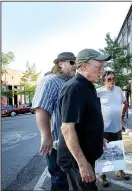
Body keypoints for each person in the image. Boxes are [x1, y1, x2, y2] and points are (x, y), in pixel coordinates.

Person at [57, 49, 110, 190]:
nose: (102, 71)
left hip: (86, 154)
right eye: (99, 67)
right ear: (84, 66)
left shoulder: (88, 86)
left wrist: (99, 137)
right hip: (75, 160)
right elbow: (67, 129)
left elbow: (86, 120)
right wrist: (82, 164)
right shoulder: (74, 88)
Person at [32, 52, 76, 191]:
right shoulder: (51, 80)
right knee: (59, 178)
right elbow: (41, 109)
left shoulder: (68, 81)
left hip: (71, 140)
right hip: (57, 142)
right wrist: (46, 136)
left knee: (71, 177)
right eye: (72, 62)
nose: (75, 65)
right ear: (60, 63)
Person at [96, 71, 130, 187]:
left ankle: (119, 170)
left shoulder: (118, 90)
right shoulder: (98, 92)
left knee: (118, 149)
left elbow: (125, 103)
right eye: (109, 79)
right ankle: (101, 175)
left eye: (113, 79)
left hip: (117, 127)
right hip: (104, 128)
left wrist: (122, 115)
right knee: (103, 151)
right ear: (103, 81)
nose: (112, 81)